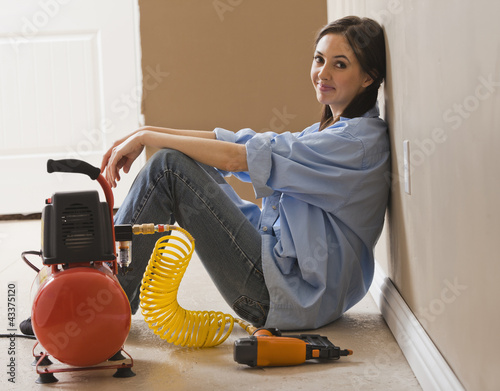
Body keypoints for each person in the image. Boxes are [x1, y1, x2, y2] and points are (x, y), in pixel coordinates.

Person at [100, 15, 390, 331]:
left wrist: (146, 139)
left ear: (368, 78)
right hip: (283, 269)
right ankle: (108, 288)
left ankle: (101, 303)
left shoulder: (352, 144)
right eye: (319, 59)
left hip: (277, 294)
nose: (323, 72)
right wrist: (145, 131)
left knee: (168, 167)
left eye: (340, 65)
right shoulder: (338, 131)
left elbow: (238, 158)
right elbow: (241, 143)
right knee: (180, 161)